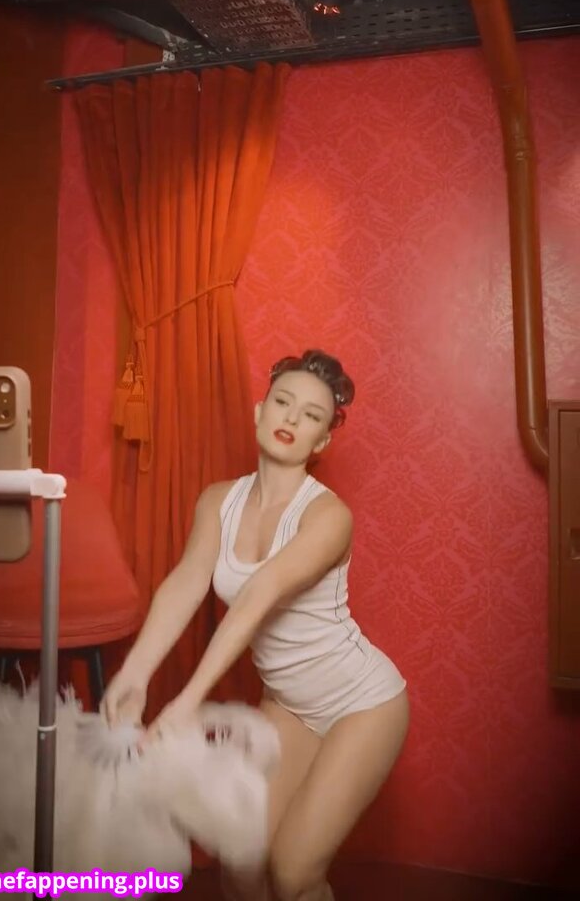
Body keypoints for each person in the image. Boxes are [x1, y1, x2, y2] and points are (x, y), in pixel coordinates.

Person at [101, 349, 409, 901]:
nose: (291, 418)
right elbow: (185, 583)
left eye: (311, 415)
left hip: (361, 705)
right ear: (259, 412)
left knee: (293, 873)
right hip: (288, 705)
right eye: (283, 402)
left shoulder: (327, 516)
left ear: (321, 441)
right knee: (240, 861)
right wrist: (136, 674)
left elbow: (256, 598)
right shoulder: (219, 501)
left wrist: (188, 701)